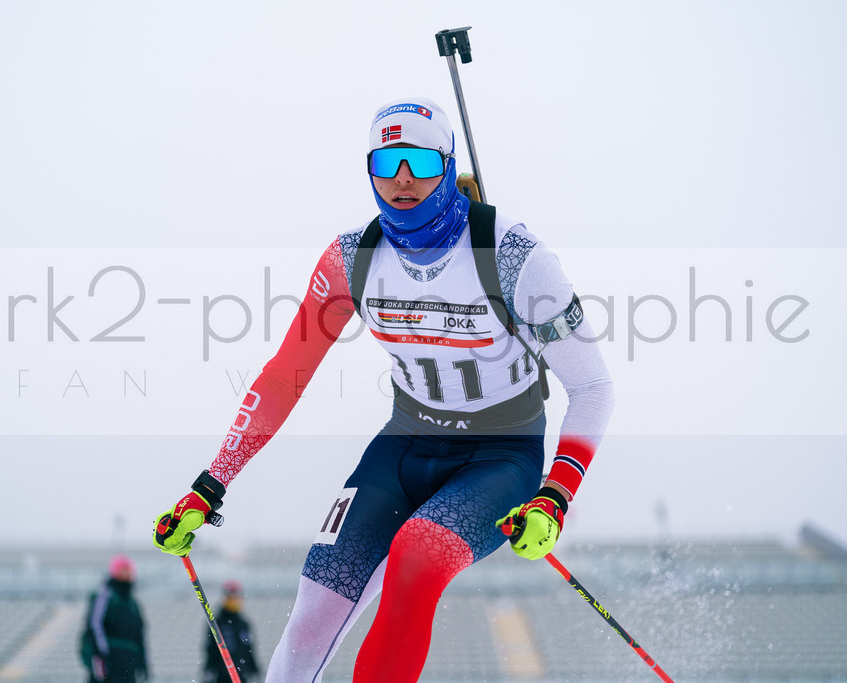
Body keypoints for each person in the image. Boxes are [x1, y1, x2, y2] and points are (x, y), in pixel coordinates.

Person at [154, 97, 614, 681]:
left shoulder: (516, 256)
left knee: (417, 557)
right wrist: (208, 486)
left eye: (420, 162)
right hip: (403, 447)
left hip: (500, 456)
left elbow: (593, 386)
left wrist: (556, 495)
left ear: (447, 166)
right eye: (387, 161)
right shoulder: (351, 259)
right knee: (315, 610)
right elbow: (282, 378)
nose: (402, 179)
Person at [80, 554, 148, 683]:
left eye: (129, 570)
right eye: (123, 569)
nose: (127, 573)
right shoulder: (105, 596)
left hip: (128, 664)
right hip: (109, 664)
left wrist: (142, 661)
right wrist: (102, 655)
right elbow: (94, 624)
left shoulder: (132, 604)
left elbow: (140, 634)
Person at [203, 580, 261, 683]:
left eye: (236, 597)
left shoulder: (244, 624)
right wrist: (209, 670)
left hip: (241, 677)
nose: (234, 601)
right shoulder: (217, 623)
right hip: (221, 677)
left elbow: (249, 649)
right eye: (231, 597)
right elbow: (210, 649)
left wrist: (254, 670)